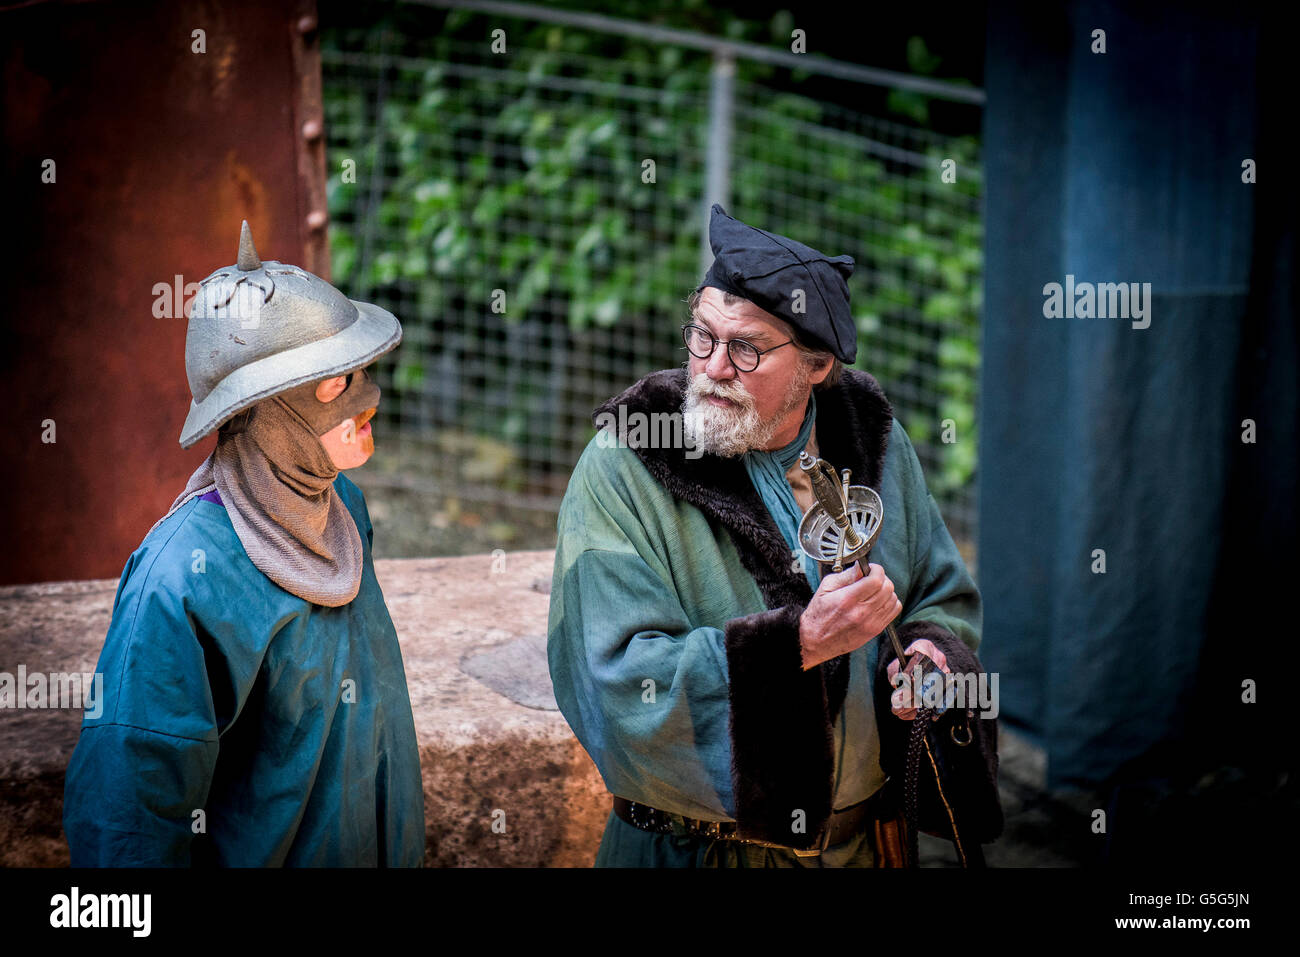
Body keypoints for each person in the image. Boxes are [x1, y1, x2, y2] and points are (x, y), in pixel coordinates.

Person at [547, 205, 991, 867]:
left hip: (865, 849)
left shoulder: (873, 441)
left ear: (815, 365)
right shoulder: (627, 463)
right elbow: (613, 685)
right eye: (702, 335)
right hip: (696, 853)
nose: (714, 366)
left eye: (746, 346)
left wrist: (927, 660)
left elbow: (941, 597)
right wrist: (797, 646)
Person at [63, 222, 425, 866]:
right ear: (261, 407)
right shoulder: (180, 581)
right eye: (334, 381)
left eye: (362, 367)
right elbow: (128, 823)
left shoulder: (343, 506)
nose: (369, 395)